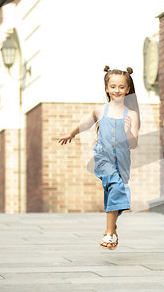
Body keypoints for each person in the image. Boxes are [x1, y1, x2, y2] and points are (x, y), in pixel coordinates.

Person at [58, 66, 140, 250]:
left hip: (122, 160)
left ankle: (113, 227)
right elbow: (85, 124)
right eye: (113, 86)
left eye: (121, 87)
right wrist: (71, 134)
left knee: (113, 193)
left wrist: (127, 132)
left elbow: (133, 143)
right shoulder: (100, 110)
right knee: (116, 188)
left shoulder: (132, 114)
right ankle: (108, 232)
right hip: (103, 157)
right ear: (106, 88)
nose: (116, 91)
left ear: (127, 89)